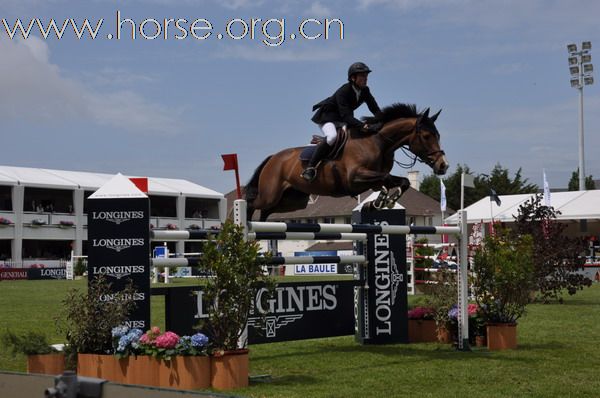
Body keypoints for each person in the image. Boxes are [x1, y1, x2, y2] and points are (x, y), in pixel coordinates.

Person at [302, 62, 383, 182]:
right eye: (362, 76)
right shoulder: (344, 91)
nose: (365, 79)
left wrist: (384, 120)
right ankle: (310, 167)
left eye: (366, 76)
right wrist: (363, 125)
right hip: (327, 118)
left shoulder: (365, 90)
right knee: (332, 137)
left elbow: (374, 108)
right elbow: (346, 116)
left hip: (342, 120)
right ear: (353, 78)